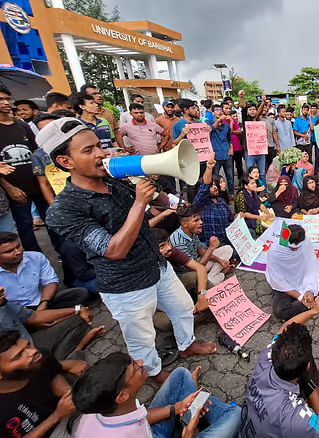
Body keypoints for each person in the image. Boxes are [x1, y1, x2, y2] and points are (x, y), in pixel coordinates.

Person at [41, 118, 215, 385]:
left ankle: (186, 344)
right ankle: (154, 373)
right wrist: (139, 203)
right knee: (141, 337)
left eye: (99, 146)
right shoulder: (63, 210)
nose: (101, 154)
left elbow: (159, 198)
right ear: (66, 162)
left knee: (182, 308)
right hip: (126, 285)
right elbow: (114, 250)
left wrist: (164, 195)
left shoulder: (114, 179)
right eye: (88, 151)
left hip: (157, 266)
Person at [240, 297, 319, 438]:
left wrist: (314, 310)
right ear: (308, 367)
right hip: (284, 418)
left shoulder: (267, 355)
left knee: (299, 355)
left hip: (257, 425)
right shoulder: (295, 417)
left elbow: (284, 328)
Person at [72, 353, 240, 438]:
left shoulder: (99, 410)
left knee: (181, 375)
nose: (141, 363)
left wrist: (177, 407)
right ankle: (191, 426)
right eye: (136, 368)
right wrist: (188, 434)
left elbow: (137, 417)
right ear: (122, 395)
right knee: (236, 415)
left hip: (149, 433)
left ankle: (189, 418)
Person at [0, 330, 87, 437]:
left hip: (65, 413)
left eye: (28, 345)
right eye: (18, 356)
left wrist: (68, 393)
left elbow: (53, 373)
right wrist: (57, 416)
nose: (32, 352)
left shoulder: (40, 358)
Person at [0, 87, 54, 252]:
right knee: (25, 229)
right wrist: (10, 188)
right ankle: (35, 262)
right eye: (1, 99)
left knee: (53, 222)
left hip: (38, 184)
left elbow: (37, 150)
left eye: (8, 99)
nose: (6, 103)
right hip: (16, 191)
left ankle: (68, 261)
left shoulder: (22, 125)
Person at [0, 285, 103, 361]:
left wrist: (77, 309)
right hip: (20, 359)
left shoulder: (3, 304)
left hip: (30, 343)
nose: (1, 288)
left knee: (77, 320)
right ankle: (75, 351)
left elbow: (33, 316)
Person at [265, 225, 319, 320]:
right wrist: (300, 297)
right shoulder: (275, 252)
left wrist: (310, 290)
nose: (295, 250)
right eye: (292, 248)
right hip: (285, 287)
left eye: (298, 247)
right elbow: (277, 280)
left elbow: (311, 268)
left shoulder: (306, 243)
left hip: (303, 279)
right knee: (280, 311)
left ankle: (309, 305)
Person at [0, 232, 88, 309]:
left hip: (41, 302)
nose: (18, 252)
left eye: (18, 246)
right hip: (14, 312)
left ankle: (46, 319)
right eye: (9, 251)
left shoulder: (36, 257)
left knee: (80, 293)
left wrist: (44, 303)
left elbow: (50, 282)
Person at [170, 205, 233, 286]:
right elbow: (195, 268)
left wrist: (220, 260)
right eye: (196, 220)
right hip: (190, 274)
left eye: (200, 219)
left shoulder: (191, 231)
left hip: (199, 262)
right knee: (210, 282)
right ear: (185, 224)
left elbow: (201, 251)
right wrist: (211, 248)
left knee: (227, 249)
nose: (201, 222)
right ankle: (219, 275)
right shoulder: (178, 242)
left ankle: (210, 277)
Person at [192, 158, 234, 244]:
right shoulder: (201, 203)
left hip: (226, 239)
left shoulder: (221, 201)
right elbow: (204, 187)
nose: (215, 187)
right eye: (211, 186)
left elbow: (230, 218)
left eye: (215, 185)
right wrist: (209, 168)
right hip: (210, 243)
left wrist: (237, 216)